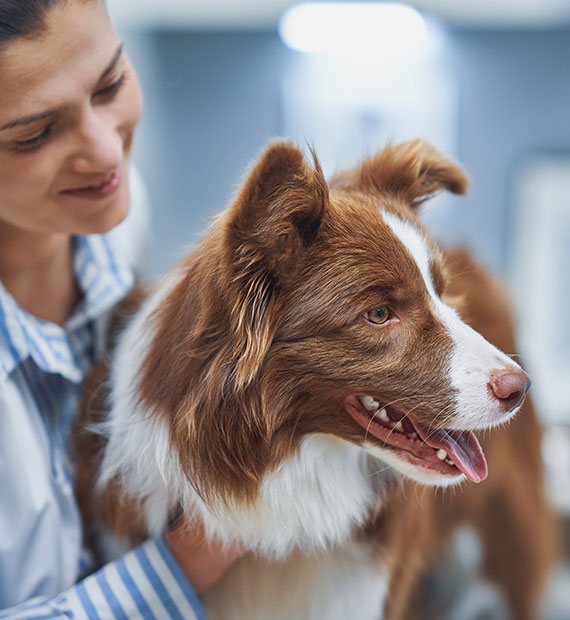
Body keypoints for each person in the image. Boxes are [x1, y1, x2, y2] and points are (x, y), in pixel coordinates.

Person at [0, 0, 243, 617]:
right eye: (35, 134)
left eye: (111, 84)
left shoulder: (116, 218)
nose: (106, 153)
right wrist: (184, 565)